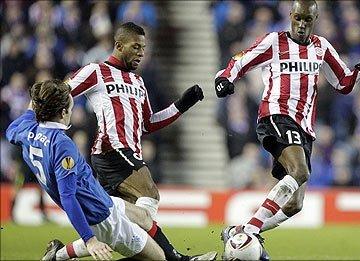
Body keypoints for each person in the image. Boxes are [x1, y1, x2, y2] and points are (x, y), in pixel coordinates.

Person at [214, 0, 360, 258]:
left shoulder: (322, 47)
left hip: (303, 127)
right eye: (298, 18)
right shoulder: (274, 42)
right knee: (299, 171)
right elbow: (242, 59)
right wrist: (224, 77)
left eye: (308, 20)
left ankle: (240, 230)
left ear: (315, 20)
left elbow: (343, 83)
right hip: (276, 115)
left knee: (295, 204)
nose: (302, 25)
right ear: (290, 15)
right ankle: (249, 232)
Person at [61, 22, 216, 261]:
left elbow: (149, 123)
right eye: (135, 47)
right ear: (119, 45)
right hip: (110, 150)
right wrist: (47, 121)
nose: (141, 53)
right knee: (150, 193)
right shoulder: (96, 72)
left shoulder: (138, 83)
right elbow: (62, 92)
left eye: (143, 48)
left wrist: (181, 105)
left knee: (119, 226)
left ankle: (59, 255)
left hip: (130, 152)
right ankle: (177, 258)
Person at [6, 79, 166, 260]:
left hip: (102, 200)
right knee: (158, 258)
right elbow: (68, 197)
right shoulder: (61, 144)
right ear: (63, 112)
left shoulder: (26, 130)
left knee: (144, 216)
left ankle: (57, 256)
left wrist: (39, 99)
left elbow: (11, 129)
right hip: (102, 216)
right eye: (71, 109)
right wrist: (89, 240)